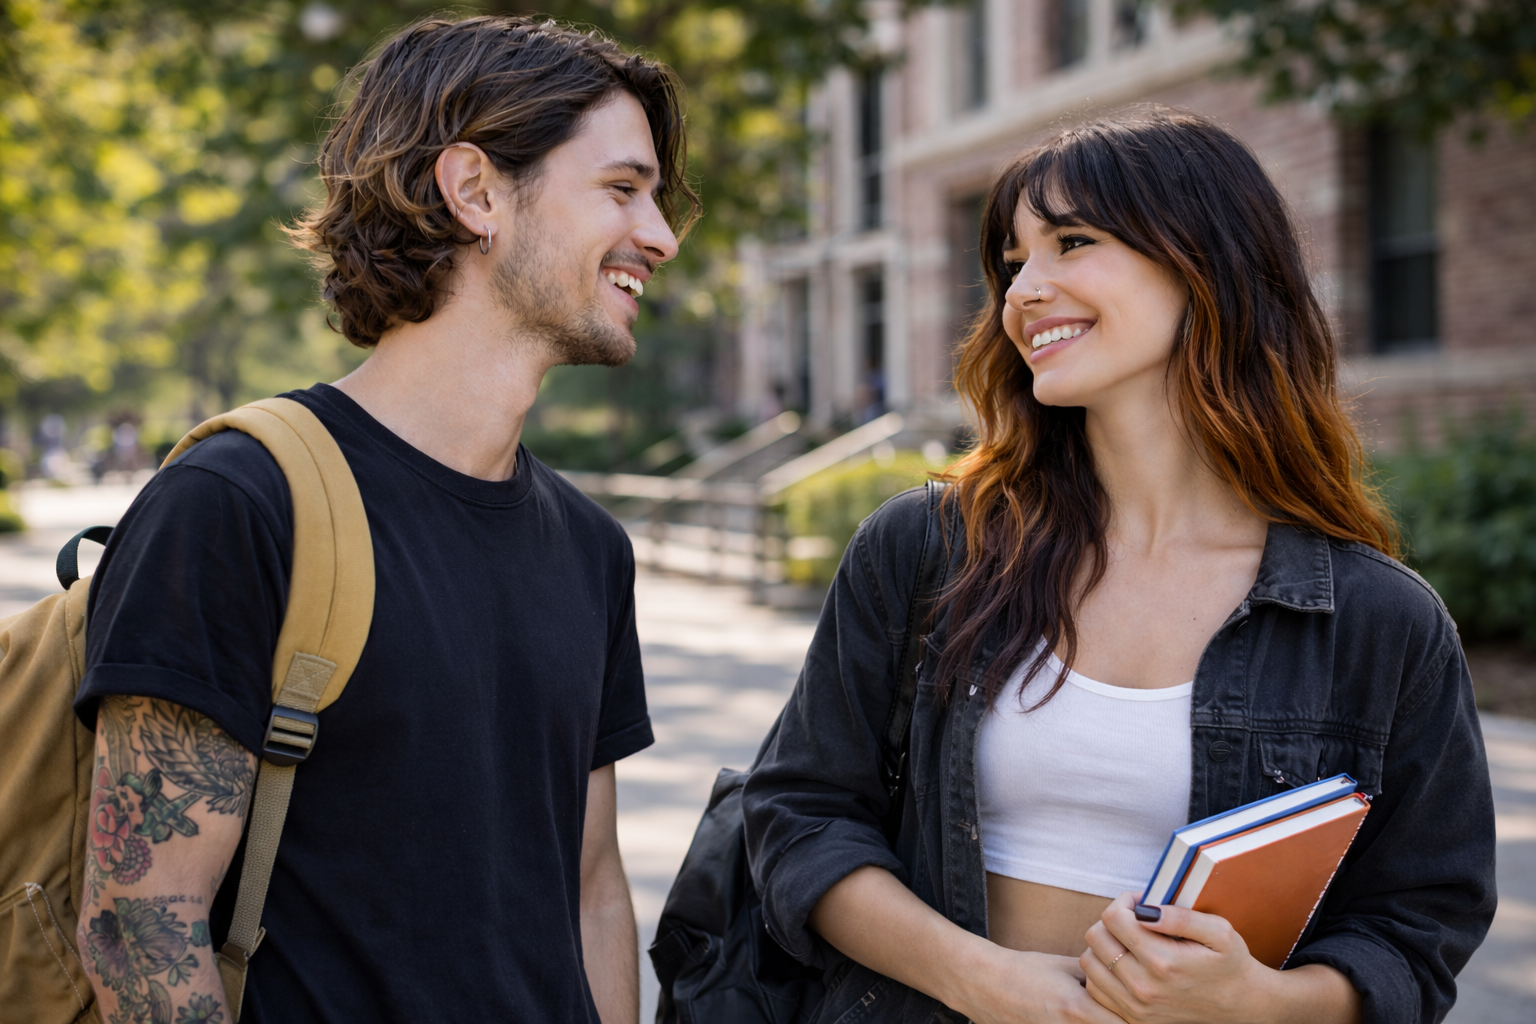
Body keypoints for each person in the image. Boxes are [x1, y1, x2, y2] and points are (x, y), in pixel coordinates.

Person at [742, 107, 1496, 1024]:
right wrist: (977, 978)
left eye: (1072, 242)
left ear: (1204, 262)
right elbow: (800, 816)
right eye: (1013, 262)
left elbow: (1419, 927)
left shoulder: (1380, 621)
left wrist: (1260, 1003)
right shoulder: (926, 551)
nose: (1024, 292)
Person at [75, 15, 694, 1024]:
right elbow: (140, 922)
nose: (661, 237)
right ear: (475, 191)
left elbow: (590, 888)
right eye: (623, 189)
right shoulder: (235, 504)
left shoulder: (592, 549)